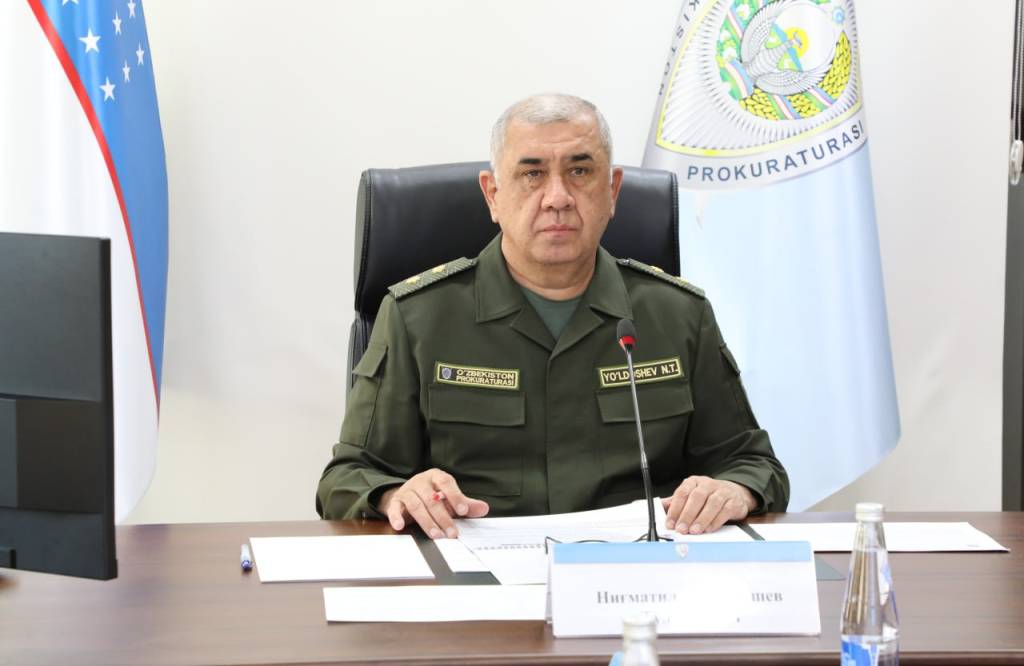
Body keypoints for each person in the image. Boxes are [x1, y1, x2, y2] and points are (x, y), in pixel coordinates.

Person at [317, 94, 789, 539]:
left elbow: (753, 464)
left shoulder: (679, 315)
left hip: (636, 577)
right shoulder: (417, 318)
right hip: (478, 582)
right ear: (493, 195)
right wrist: (395, 494)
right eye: (532, 174)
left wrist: (732, 489)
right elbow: (347, 478)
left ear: (612, 191)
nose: (558, 197)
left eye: (580, 171)